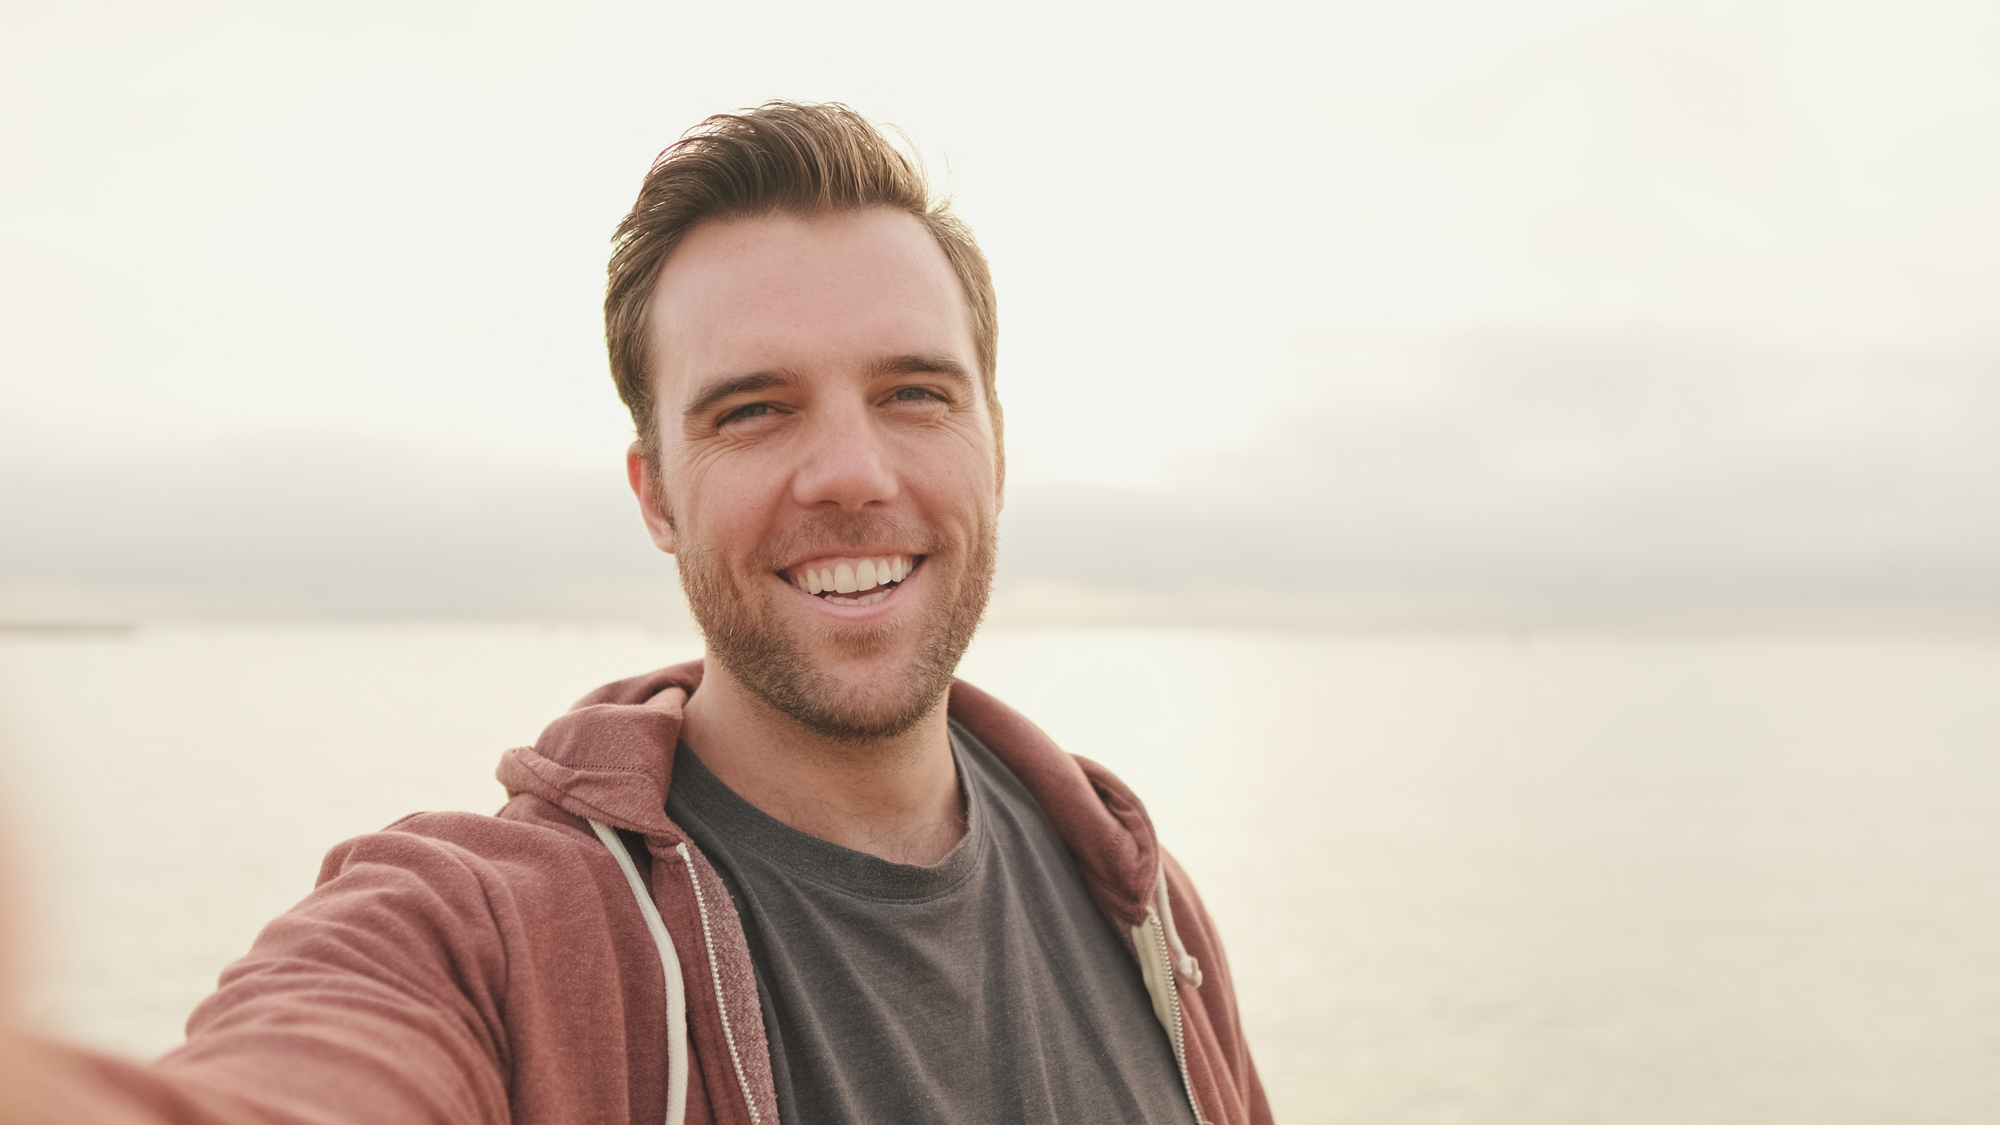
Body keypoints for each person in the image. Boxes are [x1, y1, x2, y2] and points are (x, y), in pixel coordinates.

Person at [29, 101, 1270, 1125]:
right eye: (751, 410)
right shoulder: (500, 936)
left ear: (992, 451)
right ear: (656, 495)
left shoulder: (1133, 894)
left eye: (912, 392)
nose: (850, 471)